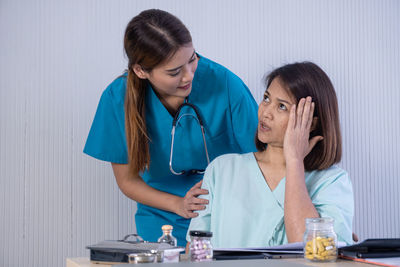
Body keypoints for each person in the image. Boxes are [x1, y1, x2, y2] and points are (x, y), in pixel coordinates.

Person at [83, 9, 258, 246]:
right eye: (174, 72)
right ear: (141, 71)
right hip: (163, 219)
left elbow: (262, 159)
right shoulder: (118, 99)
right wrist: (178, 204)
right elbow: (128, 181)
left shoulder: (224, 84)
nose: (188, 77)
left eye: (192, 59)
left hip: (229, 215)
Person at [186, 62, 354, 248]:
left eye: (282, 106)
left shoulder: (332, 182)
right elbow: (195, 250)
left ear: (311, 123)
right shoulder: (221, 170)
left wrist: (295, 161)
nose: (266, 112)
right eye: (266, 98)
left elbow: (311, 251)